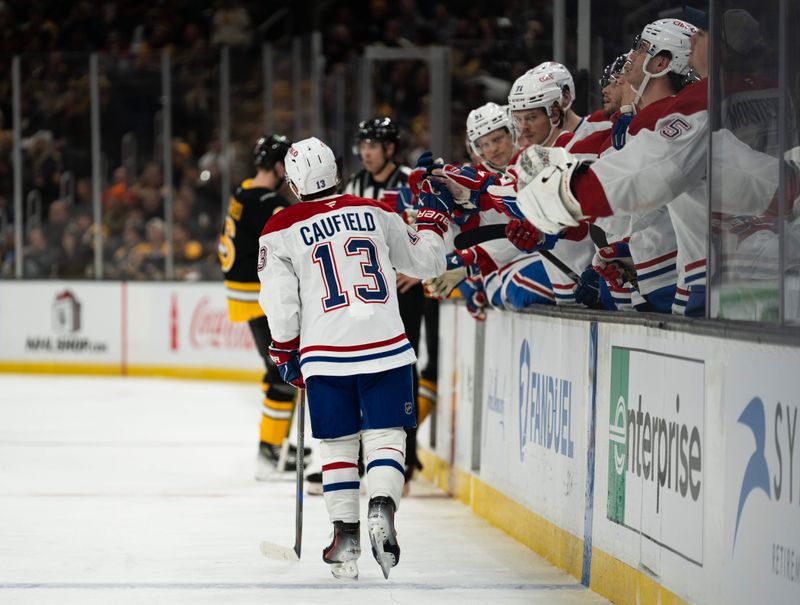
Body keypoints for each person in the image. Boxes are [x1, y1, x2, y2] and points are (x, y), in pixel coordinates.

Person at [258, 136, 452, 580]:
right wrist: (434, 219)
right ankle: (382, 504)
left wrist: (285, 349)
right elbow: (428, 263)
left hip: (325, 354)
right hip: (386, 344)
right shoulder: (377, 212)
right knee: (386, 437)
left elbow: (281, 304)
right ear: (338, 171)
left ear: (293, 183)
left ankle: (345, 536)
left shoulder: (279, 228)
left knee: (338, 446)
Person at [218, 134, 308, 477]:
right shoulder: (269, 201)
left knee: (280, 369)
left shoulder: (243, 190)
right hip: (259, 295)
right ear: (276, 165)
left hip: (242, 294)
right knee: (281, 372)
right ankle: (270, 453)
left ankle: (279, 448)